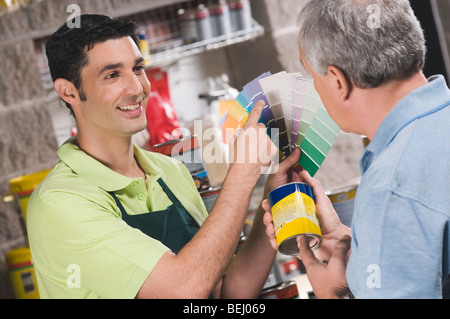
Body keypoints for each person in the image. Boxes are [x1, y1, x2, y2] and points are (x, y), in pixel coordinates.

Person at [26, 14, 299, 299]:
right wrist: (243, 172)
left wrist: (273, 199)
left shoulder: (170, 171)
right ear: (68, 91)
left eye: (138, 68)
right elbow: (181, 290)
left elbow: (222, 293)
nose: (137, 88)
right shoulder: (60, 203)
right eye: (112, 75)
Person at [263, 0, 450, 298]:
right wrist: (359, 246)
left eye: (315, 78)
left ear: (338, 81)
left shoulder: (391, 187)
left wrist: (332, 295)